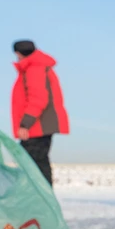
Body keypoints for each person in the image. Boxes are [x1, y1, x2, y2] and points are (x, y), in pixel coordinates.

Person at [11, 40, 69, 186]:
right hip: (38, 125)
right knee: (37, 163)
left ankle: (41, 202)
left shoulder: (34, 69)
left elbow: (38, 99)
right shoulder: (37, 67)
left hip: (38, 126)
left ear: (19, 53)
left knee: (32, 164)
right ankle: (42, 201)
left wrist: (25, 124)